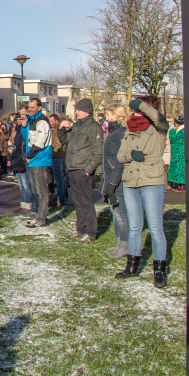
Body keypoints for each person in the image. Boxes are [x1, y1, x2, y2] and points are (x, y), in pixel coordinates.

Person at [115, 97, 170, 289]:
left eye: (137, 110)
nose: (134, 113)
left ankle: (160, 270)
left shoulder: (158, 129)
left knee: (155, 228)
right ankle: (132, 267)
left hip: (151, 181)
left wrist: (142, 105)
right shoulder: (129, 130)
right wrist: (131, 155)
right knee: (135, 226)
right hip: (131, 182)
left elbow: (161, 120)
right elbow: (121, 155)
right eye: (133, 109)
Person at [56, 98, 103, 242]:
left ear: (87, 111)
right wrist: (60, 128)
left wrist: (88, 169)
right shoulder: (77, 126)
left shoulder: (94, 127)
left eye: (79, 110)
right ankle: (80, 230)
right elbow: (65, 140)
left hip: (83, 170)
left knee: (87, 202)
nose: (76, 112)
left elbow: (98, 152)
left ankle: (92, 232)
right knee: (78, 202)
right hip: (73, 168)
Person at [101, 104, 129, 258]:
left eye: (109, 115)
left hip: (117, 181)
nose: (107, 118)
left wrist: (112, 183)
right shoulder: (112, 133)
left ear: (118, 116)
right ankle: (118, 244)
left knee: (120, 214)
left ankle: (125, 245)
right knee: (115, 213)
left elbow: (120, 161)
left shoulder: (120, 134)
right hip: (110, 178)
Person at [24, 98, 54, 229]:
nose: (30, 109)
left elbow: (39, 143)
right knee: (37, 190)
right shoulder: (33, 120)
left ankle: (41, 219)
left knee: (42, 191)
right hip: (35, 160)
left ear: (39, 107)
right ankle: (39, 216)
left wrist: (29, 155)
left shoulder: (42, 121)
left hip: (40, 160)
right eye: (29, 107)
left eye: (32, 107)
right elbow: (28, 139)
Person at [10, 113, 34, 215]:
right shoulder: (17, 131)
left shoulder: (25, 131)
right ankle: (23, 204)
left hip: (22, 160)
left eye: (22, 119)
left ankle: (28, 205)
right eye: (18, 119)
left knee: (26, 184)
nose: (20, 121)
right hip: (16, 159)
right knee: (21, 185)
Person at [49, 114, 67, 206]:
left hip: (57, 156)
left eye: (52, 121)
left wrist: (52, 155)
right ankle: (61, 196)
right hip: (59, 155)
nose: (51, 123)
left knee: (59, 178)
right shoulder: (55, 130)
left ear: (57, 121)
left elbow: (58, 144)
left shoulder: (57, 130)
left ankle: (60, 197)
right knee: (61, 178)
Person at [167, 114, 186, 191]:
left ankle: (179, 184)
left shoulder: (177, 131)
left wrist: (173, 129)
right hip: (180, 150)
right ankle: (180, 184)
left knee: (178, 167)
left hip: (178, 151)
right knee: (180, 167)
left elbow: (173, 137)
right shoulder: (183, 130)